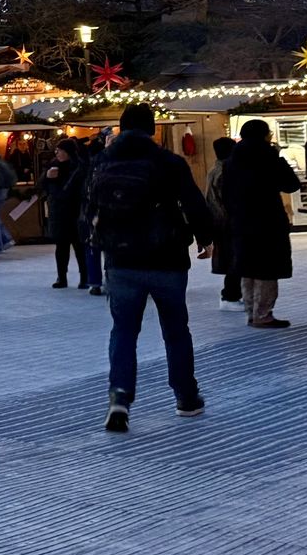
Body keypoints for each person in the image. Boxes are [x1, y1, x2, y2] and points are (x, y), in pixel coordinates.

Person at [84, 104, 215, 432]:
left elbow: (85, 203)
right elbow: (194, 201)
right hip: (166, 257)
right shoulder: (169, 162)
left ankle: (120, 397)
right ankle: (186, 397)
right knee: (176, 329)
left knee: (124, 331)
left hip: (120, 259)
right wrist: (205, 239)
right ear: (152, 129)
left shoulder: (102, 161)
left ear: (121, 128)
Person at [221, 119, 302, 329]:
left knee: (248, 268)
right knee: (267, 268)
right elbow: (291, 184)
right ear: (264, 135)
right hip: (268, 221)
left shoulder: (231, 161)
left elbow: (225, 193)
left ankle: (251, 311)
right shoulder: (268, 156)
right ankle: (263, 313)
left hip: (241, 222)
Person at [42, 138, 90, 288]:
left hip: (75, 211)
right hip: (59, 212)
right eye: (57, 150)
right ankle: (61, 277)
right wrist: (47, 178)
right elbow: (43, 186)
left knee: (79, 247)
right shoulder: (53, 165)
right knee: (61, 247)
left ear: (69, 152)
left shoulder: (79, 167)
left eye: (61, 150)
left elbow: (81, 188)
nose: (58, 153)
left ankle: (84, 277)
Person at [205, 138, 244, 311]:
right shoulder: (226, 172)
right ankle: (230, 296)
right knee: (234, 259)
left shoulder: (215, 170)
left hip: (219, 222)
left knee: (232, 259)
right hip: (229, 222)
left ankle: (232, 294)